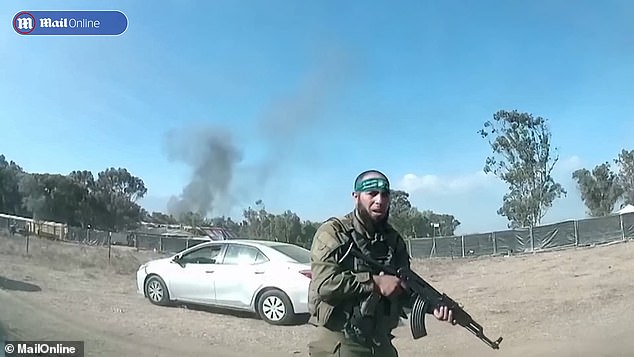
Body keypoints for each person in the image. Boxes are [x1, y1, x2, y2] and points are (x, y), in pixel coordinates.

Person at [307, 169, 455, 357]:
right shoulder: (333, 233)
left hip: (380, 341)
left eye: (385, 194)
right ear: (356, 196)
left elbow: (403, 288)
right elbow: (324, 285)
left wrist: (432, 306)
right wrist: (374, 283)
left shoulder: (393, 240)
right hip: (341, 341)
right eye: (372, 194)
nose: (380, 200)